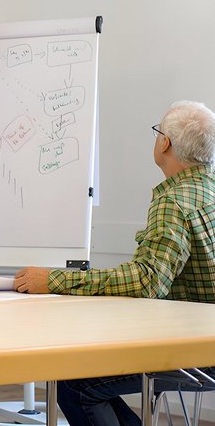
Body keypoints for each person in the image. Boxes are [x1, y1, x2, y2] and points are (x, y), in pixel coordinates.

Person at [13, 100, 215, 426]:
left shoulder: (175, 202)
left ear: (164, 143)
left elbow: (149, 279)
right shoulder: (207, 191)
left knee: (77, 386)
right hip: (204, 343)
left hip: (196, 355)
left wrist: (55, 280)